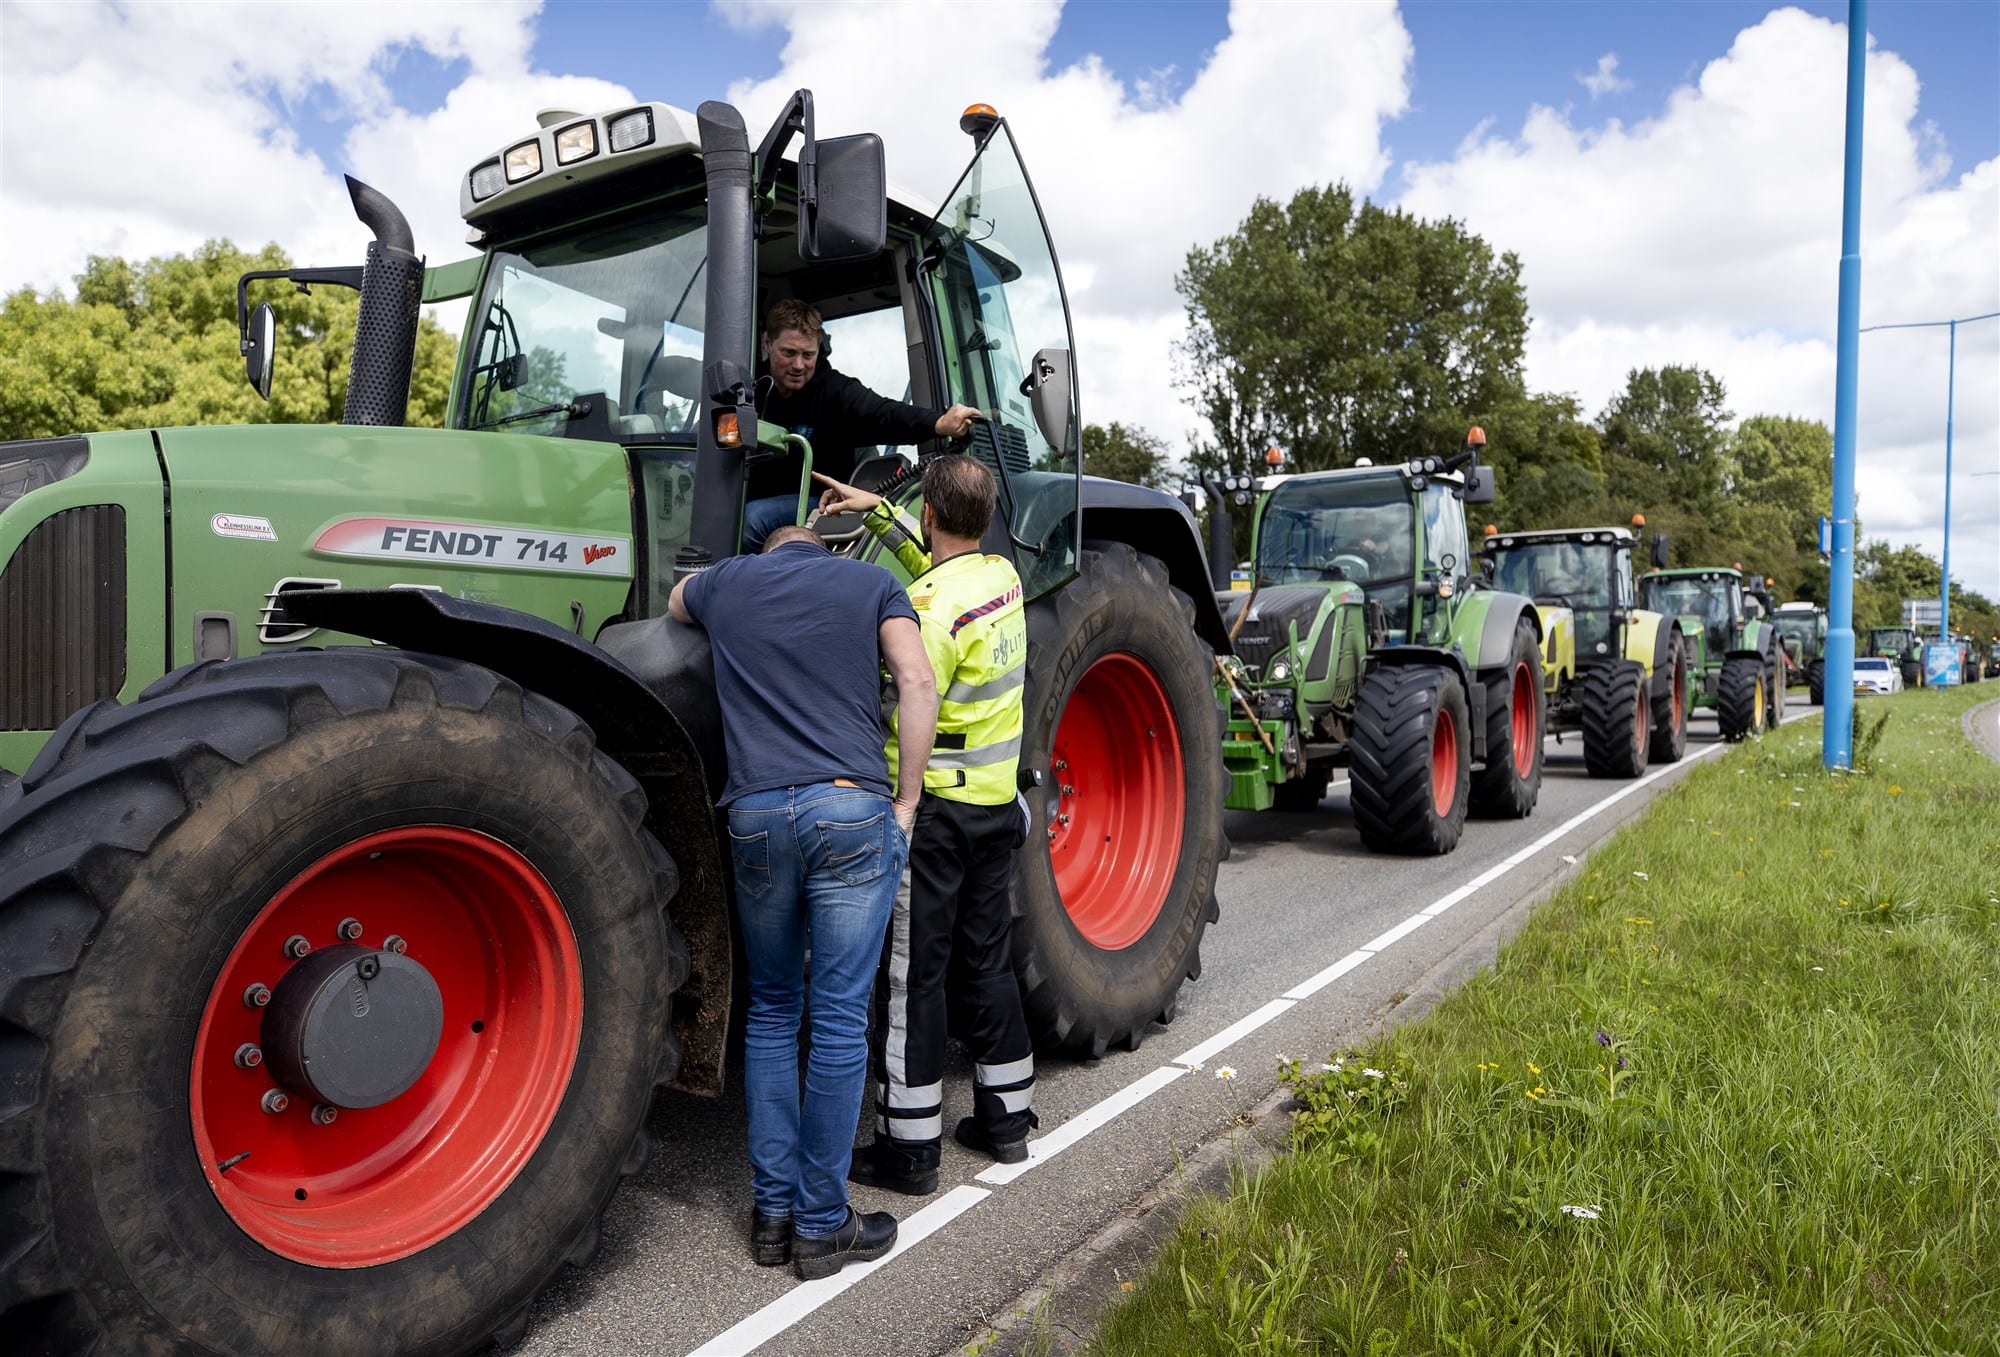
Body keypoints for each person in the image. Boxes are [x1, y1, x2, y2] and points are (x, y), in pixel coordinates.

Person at [669, 524, 939, 1280]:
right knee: (839, 1017)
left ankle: (772, 1215)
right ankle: (823, 1222)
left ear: (771, 551)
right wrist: (908, 801)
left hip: (755, 814)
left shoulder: (730, 581)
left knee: (772, 1009)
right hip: (850, 808)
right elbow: (916, 682)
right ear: (824, 548)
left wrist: (726, 586)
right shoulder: (870, 583)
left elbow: (674, 602)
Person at [813, 455, 1038, 1195]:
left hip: (936, 812)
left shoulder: (926, 611)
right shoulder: (1002, 579)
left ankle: (911, 1151)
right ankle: (1007, 1121)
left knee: (913, 979)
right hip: (996, 806)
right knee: (988, 960)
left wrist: (902, 800)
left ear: (934, 515)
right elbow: (941, 559)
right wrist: (878, 508)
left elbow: (915, 697)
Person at [743, 300, 983, 552]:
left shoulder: (836, 391)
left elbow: (884, 413)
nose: (799, 365)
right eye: (789, 353)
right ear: (767, 343)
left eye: (808, 355)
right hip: (754, 493)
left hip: (821, 503)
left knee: (753, 520)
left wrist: (938, 422)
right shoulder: (750, 389)